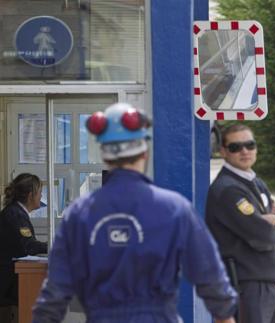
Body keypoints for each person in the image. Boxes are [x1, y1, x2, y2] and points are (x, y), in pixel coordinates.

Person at [32, 103, 237, 323]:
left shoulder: (79, 214)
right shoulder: (174, 209)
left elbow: (55, 293)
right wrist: (225, 314)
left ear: (104, 154)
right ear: (145, 151)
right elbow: (210, 275)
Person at [206, 124, 275, 323]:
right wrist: (274, 225)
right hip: (246, 287)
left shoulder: (255, 183)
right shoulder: (228, 190)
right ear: (223, 151)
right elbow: (264, 236)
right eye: (235, 147)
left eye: (250, 144)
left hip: (263, 284)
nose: (244, 151)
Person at [0, 173, 48, 323]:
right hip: (7, 284)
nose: (41, 196)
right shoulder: (15, 215)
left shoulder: (16, 212)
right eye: (40, 192)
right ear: (30, 195)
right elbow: (29, 246)